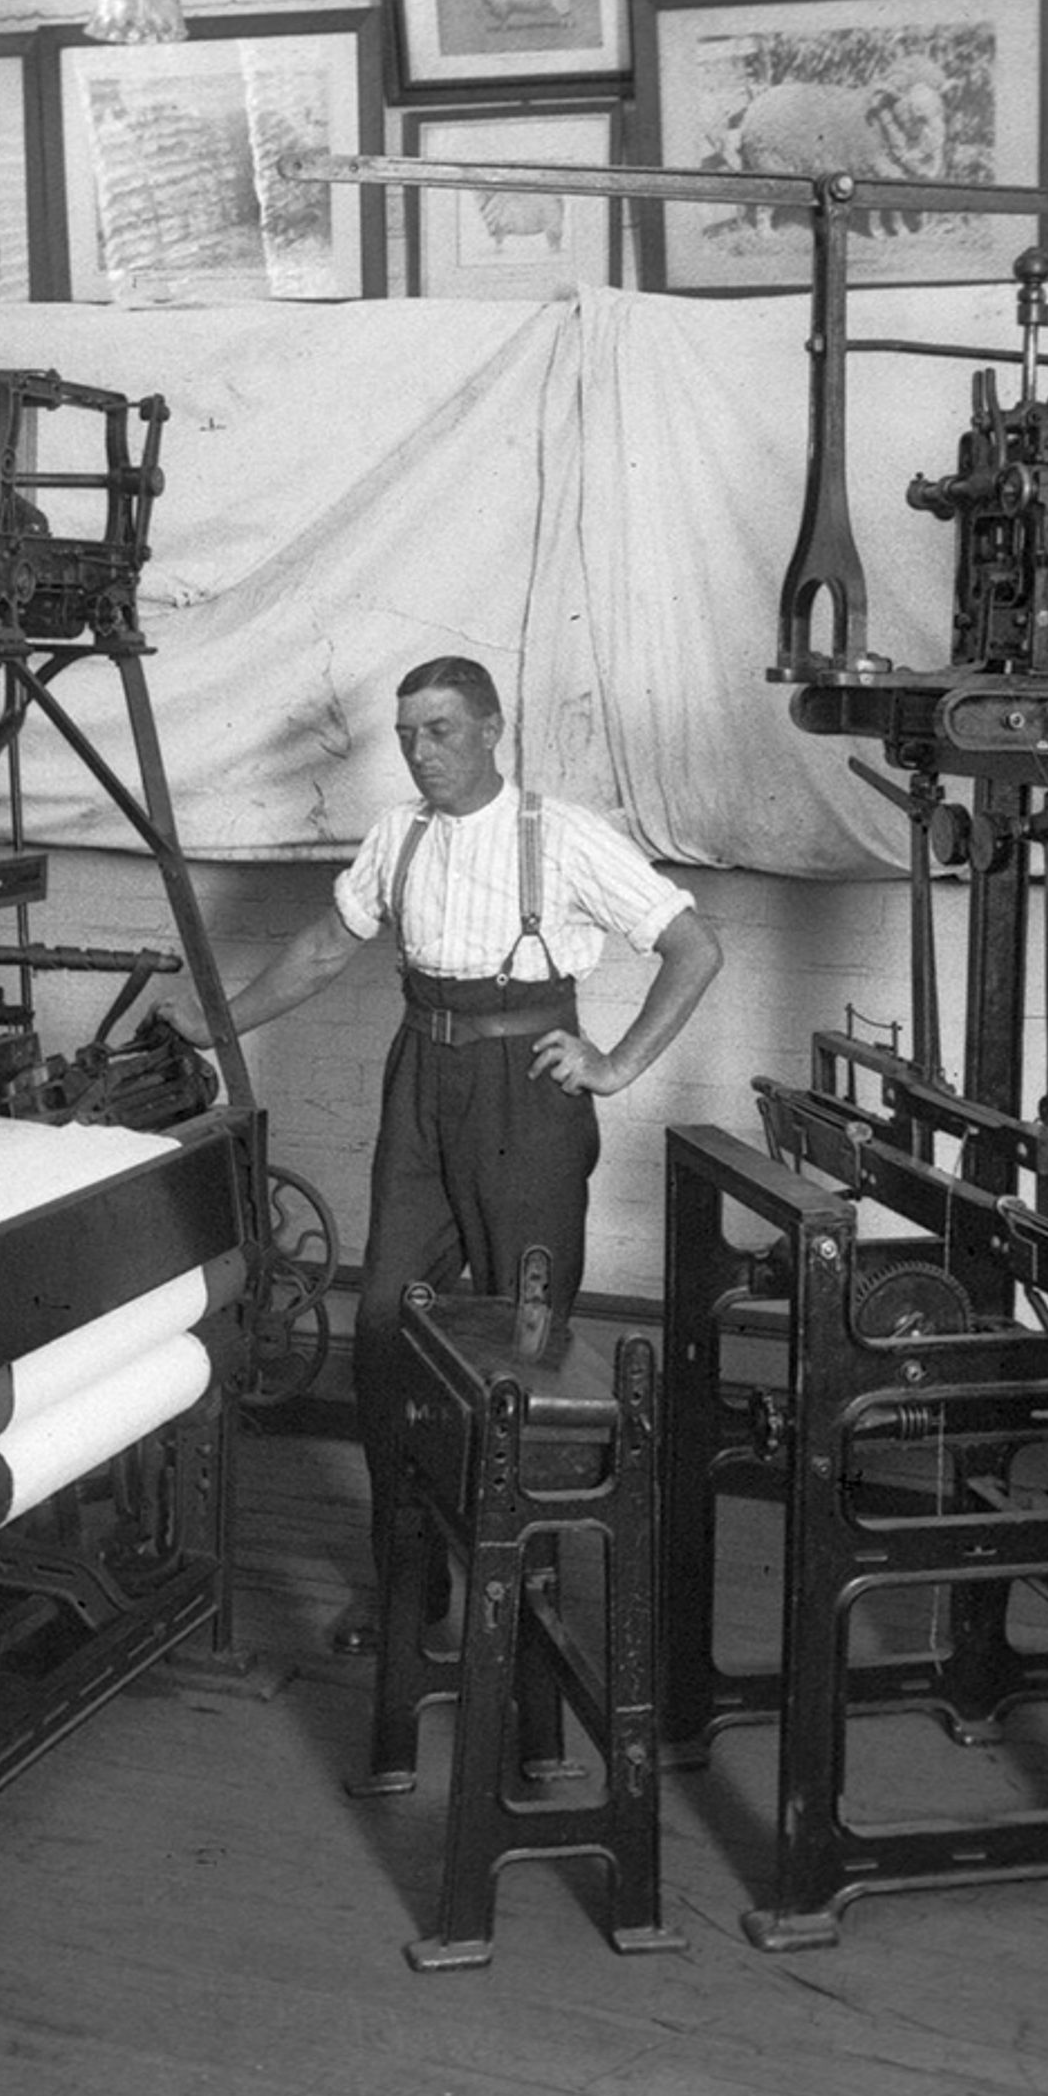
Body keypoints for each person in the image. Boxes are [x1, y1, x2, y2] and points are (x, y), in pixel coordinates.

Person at [161, 656, 722, 1652]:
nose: (423, 751)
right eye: (409, 733)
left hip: (529, 1097)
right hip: (421, 1078)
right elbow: (327, 948)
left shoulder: (564, 835)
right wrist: (214, 1027)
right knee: (383, 1330)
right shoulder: (399, 836)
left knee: (528, 1335)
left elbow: (694, 947)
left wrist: (617, 1063)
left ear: (493, 727)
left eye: (443, 731)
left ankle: (530, 1599)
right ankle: (407, 1584)